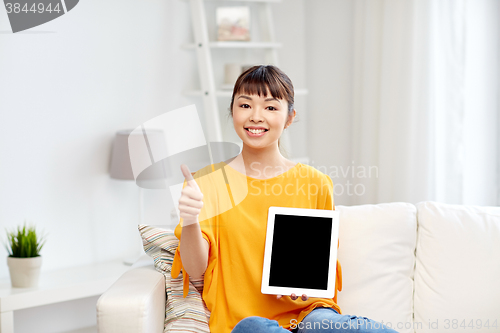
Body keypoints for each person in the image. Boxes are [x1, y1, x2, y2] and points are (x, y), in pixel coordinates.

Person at [172, 65, 398, 333]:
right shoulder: (208, 181)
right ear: (232, 111)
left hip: (308, 315)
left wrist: (309, 284)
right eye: (245, 105)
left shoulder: (315, 183)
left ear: (290, 117)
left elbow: (319, 264)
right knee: (254, 328)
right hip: (245, 322)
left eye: (270, 107)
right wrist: (190, 219)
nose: (256, 117)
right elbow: (196, 270)